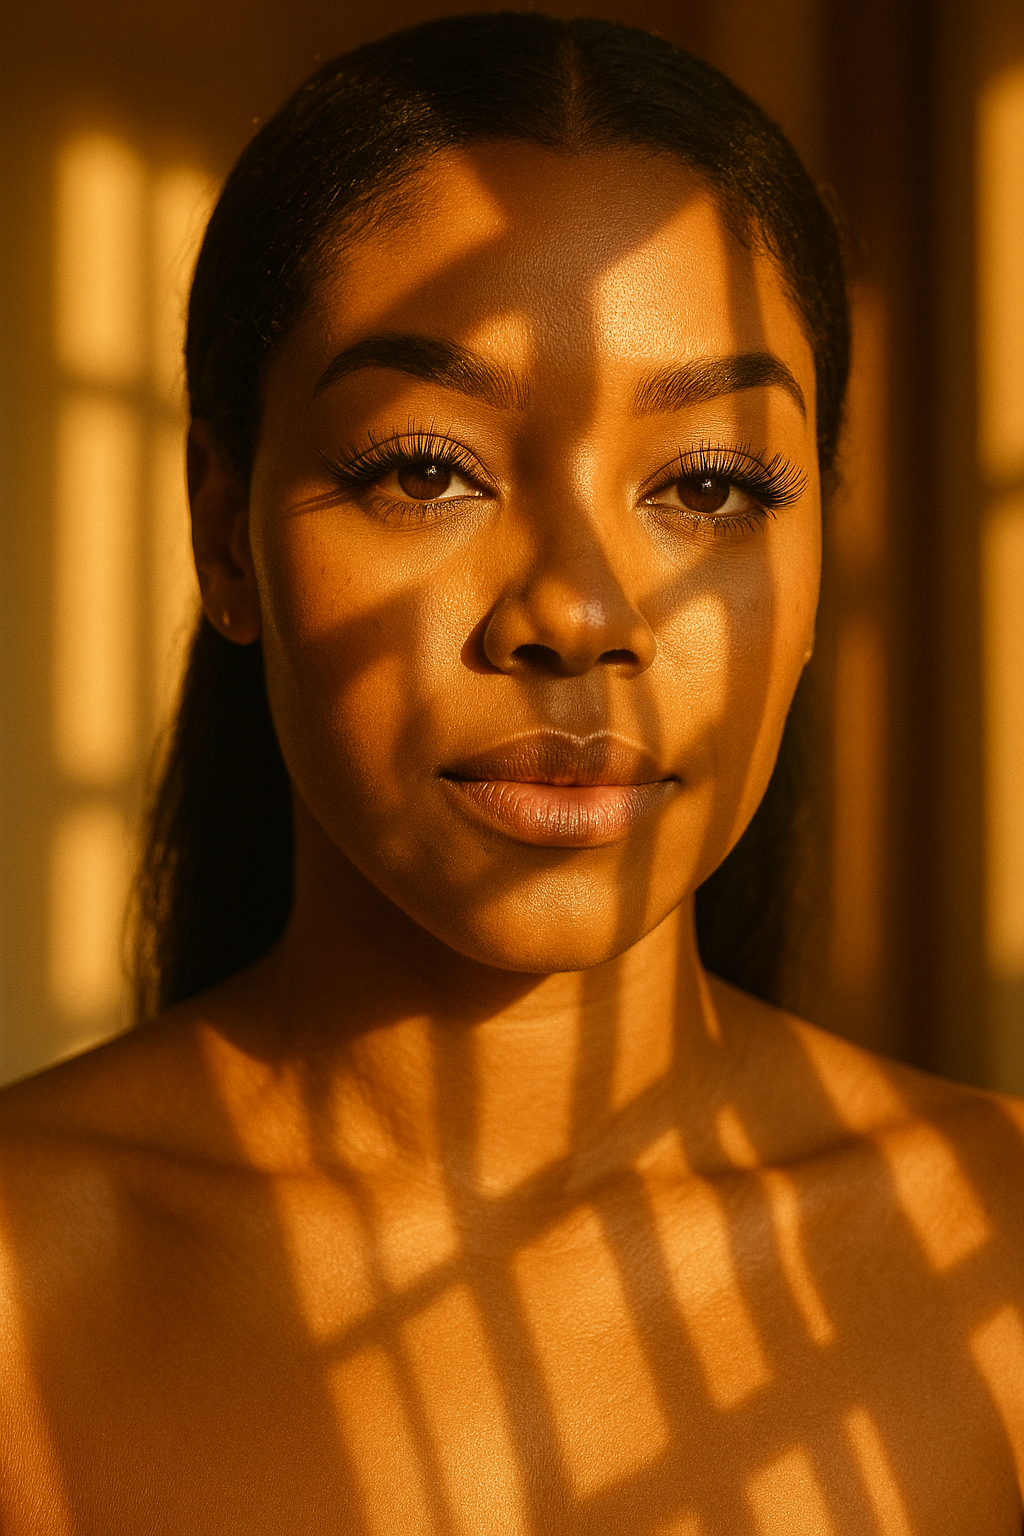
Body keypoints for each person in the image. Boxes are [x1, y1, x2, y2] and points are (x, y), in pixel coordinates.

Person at [1, 14, 1022, 1533]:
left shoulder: (997, 1253)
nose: (581, 611)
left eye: (709, 484)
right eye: (427, 469)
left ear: (822, 553)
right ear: (226, 532)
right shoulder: (24, 1286)